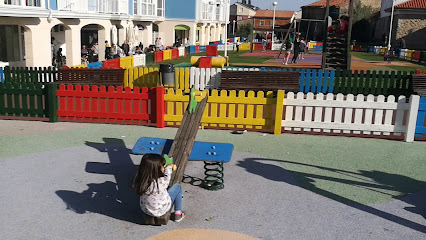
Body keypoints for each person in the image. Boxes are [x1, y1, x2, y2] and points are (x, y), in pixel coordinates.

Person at [132, 154, 185, 222]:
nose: (163, 167)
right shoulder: (161, 181)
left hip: (146, 209)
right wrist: (169, 167)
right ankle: (178, 214)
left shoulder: (140, 180)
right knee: (177, 187)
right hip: (162, 209)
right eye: (162, 166)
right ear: (157, 170)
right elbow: (168, 174)